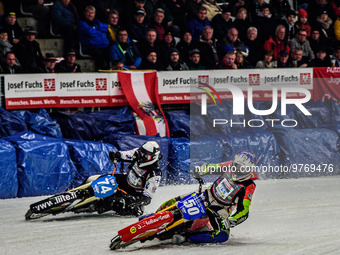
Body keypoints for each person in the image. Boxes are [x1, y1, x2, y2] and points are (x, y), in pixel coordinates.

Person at [158, 150, 258, 244]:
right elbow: (212, 167)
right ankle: (155, 215)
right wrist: (200, 170)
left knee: (222, 236)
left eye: (243, 168)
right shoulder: (229, 165)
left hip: (222, 208)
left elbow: (244, 210)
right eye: (237, 166)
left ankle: (186, 237)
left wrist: (232, 220)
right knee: (174, 201)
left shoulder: (249, 185)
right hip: (207, 193)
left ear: (250, 169)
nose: (239, 170)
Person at [92, 141, 162, 216]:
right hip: (124, 181)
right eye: (141, 152)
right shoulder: (137, 153)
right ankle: (87, 188)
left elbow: (147, 198)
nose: (141, 156)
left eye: (145, 156)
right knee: (100, 178)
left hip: (134, 193)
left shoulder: (155, 174)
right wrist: (116, 154)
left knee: (132, 210)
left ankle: (100, 206)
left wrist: (136, 202)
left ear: (153, 158)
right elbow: (124, 155)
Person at [78, 5, 110, 70]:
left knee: (110, 51)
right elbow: (90, 32)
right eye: (88, 12)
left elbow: (106, 28)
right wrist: (100, 31)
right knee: (99, 54)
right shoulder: (82, 23)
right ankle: (100, 72)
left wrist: (96, 31)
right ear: (85, 13)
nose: (90, 15)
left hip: (101, 46)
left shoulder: (97, 22)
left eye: (92, 13)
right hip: (89, 47)